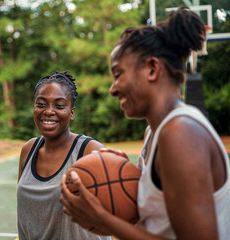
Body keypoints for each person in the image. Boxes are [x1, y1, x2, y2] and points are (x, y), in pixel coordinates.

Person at [60, 7, 230, 240]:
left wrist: (102, 219)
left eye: (118, 74)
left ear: (152, 69)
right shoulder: (157, 131)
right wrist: (132, 175)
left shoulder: (181, 133)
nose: (113, 89)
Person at [17, 71, 112, 240]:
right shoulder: (28, 150)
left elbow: (117, 213)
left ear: (72, 112)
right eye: (41, 104)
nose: (48, 111)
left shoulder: (90, 151)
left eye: (59, 106)